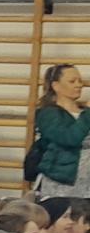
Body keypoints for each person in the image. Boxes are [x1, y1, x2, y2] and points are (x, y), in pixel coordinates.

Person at [31, 63, 90, 196]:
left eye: (80, 81)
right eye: (72, 81)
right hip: (63, 184)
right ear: (56, 86)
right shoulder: (48, 114)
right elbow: (69, 138)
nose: (79, 85)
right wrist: (88, 114)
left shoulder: (85, 113)